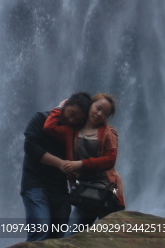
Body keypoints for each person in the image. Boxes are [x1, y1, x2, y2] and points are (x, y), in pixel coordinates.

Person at [45, 93, 126, 227]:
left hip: (106, 189)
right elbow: (49, 127)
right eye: (98, 108)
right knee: (73, 232)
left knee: (109, 233)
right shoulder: (73, 130)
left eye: (105, 113)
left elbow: (110, 160)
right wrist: (60, 107)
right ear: (90, 105)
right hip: (85, 189)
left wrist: (81, 164)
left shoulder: (108, 133)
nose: (99, 114)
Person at [20, 92, 92, 241]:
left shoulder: (73, 134)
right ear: (65, 104)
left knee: (58, 238)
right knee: (40, 231)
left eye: (77, 120)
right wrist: (60, 164)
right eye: (71, 113)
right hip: (35, 185)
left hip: (60, 191)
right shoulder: (40, 118)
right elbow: (30, 147)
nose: (71, 120)